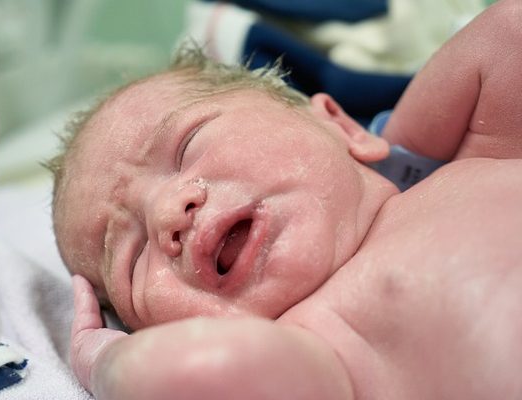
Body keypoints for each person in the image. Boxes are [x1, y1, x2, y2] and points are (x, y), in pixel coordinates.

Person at [47, 0, 522, 398]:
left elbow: (508, 34)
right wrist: (103, 359)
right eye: (132, 259)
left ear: (338, 123)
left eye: (188, 145)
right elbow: (185, 372)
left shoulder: (477, 160)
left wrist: (403, 142)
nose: (167, 214)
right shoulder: (319, 353)